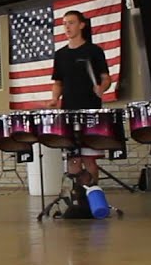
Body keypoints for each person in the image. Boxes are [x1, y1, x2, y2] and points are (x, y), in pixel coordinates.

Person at [48, 10, 112, 184]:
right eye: (65, 23)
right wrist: (54, 98)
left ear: (81, 25)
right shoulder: (61, 55)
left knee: (89, 158)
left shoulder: (94, 51)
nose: (67, 27)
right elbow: (58, 82)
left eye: (71, 22)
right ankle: (78, 199)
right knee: (72, 158)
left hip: (90, 110)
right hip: (68, 111)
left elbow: (106, 79)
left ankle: (93, 195)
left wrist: (101, 88)